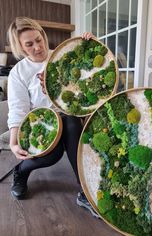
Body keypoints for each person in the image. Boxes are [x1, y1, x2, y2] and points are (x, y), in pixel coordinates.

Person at [7, 17, 98, 218]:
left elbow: (87, 79)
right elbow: (18, 109)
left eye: (39, 40)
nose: (38, 47)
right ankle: (21, 171)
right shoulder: (18, 73)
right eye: (29, 44)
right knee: (52, 154)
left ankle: (85, 192)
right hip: (42, 125)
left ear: (43, 36)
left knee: (72, 123)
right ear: (21, 48)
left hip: (67, 115)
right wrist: (14, 143)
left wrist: (90, 46)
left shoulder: (62, 55)